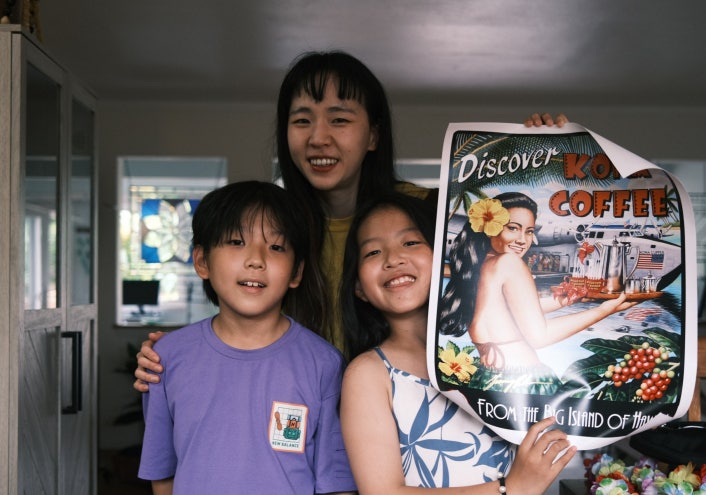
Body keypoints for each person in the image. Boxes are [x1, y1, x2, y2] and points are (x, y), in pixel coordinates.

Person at [133, 48, 568, 391]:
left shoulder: (434, 212)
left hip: (416, 419)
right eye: (301, 120)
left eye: (339, 119)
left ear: (373, 134)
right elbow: (238, 319)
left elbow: (500, 268)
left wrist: (548, 147)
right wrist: (174, 354)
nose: (318, 138)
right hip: (299, 427)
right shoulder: (272, 229)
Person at [338, 193, 576, 493]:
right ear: (358, 286)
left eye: (410, 242)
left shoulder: (485, 360)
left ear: (441, 255)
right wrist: (510, 488)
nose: (393, 259)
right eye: (372, 252)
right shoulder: (368, 374)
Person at [137, 181, 356, 495]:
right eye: (236, 241)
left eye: (276, 247)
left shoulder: (323, 363)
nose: (256, 259)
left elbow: (336, 484)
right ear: (202, 261)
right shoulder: (165, 359)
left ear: (296, 272)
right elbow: (162, 474)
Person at [438, 192, 637, 394]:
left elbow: (515, 310)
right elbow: (539, 337)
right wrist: (605, 310)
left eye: (529, 231)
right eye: (513, 228)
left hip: (486, 379)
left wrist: (569, 300)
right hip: (525, 381)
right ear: (491, 228)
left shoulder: (477, 266)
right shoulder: (509, 262)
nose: (522, 240)